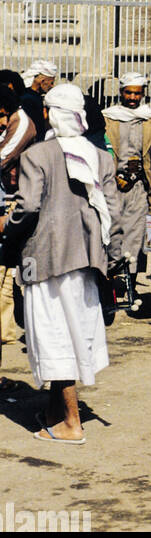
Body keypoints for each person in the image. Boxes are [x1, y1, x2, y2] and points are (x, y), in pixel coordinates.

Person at [0, 82, 122, 443]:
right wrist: (113, 257)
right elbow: (113, 212)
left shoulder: (38, 156)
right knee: (72, 334)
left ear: (51, 114)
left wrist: (8, 242)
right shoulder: (100, 156)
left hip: (47, 259)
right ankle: (55, 412)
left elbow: (27, 208)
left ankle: (71, 424)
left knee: (54, 338)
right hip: (87, 261)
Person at [102, 72, 151, 314]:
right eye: (129, 92)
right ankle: (111, 289)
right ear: (121, 93)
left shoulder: (150, 120)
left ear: (143, 94)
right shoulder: (109, 118)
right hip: (112, 186)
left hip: (138, 188)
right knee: (111, 235)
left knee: (135, 239)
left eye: (137, 93)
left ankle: (131, 288)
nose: (133, 98)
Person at [0, 84, 33, 380]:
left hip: (15, 204)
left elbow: (4, 156)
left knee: (9, 271)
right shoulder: (9, 122)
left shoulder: (21, 123)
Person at [18, 60, 57, 132]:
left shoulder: (34, 96)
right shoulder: (28, 99)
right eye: (51, 82)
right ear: (42, 81)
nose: (52, 86)